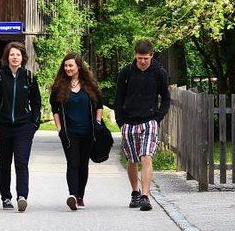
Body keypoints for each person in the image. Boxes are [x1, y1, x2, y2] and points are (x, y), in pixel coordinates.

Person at [113, 39, 170, 211]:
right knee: (132, 159)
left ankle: (145, 196)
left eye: (145, 58)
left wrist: (157, 119)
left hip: (149, 121)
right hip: (129, 122)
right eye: (139, 58)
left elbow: (166, 99)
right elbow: (118, 98)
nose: (143, 61)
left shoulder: (159, 73)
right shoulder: (126, 72)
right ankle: (135, 192)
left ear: (151, 55)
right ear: (135, 56)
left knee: (146, 156)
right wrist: (120, 122)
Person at [0, 41, 41, 212]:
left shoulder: (29, 77)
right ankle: (6, 197)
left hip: (24, 127)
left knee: (21, 162)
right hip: (3, 127)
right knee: (4, 163)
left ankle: (22, 197)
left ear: (23, 57)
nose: (15, 57)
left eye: (18, 54)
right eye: (12, 54)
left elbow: (36, 102)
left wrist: (34, 123)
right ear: (7, 57)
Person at [50, 53, 104, 211]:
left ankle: (80, 196)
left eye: (71, 65)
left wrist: (98, 122)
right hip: (69, 133)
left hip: (88, 132)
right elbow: (55, 110)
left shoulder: (90, 85)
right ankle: (72, 196)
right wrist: (59, 129)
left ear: (78, 66)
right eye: (65, 66)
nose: (67, 68)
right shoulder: (59, 87)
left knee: (83, 165)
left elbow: (99, 105)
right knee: (73, 163)